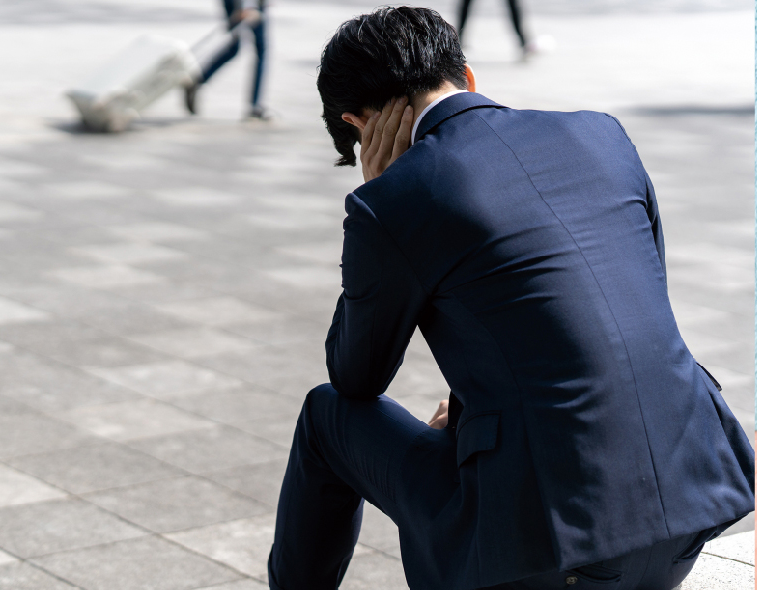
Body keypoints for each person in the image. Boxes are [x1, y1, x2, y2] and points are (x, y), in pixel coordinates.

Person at [267, 7, 754, 590]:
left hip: (549, 556)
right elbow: (613, 310)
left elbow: (355, 376)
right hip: (690, 517)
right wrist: (468, 410)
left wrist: (381, 193)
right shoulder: (602, 133)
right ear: (468, 76)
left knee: (326, 415)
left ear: (356, 123)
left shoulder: (392, 199)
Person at [184, 0, 269, 120]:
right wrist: (249, 6)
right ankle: (255, 107)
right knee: (260, 50)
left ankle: (198, 80)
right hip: (248, 4)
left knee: (234, 47)